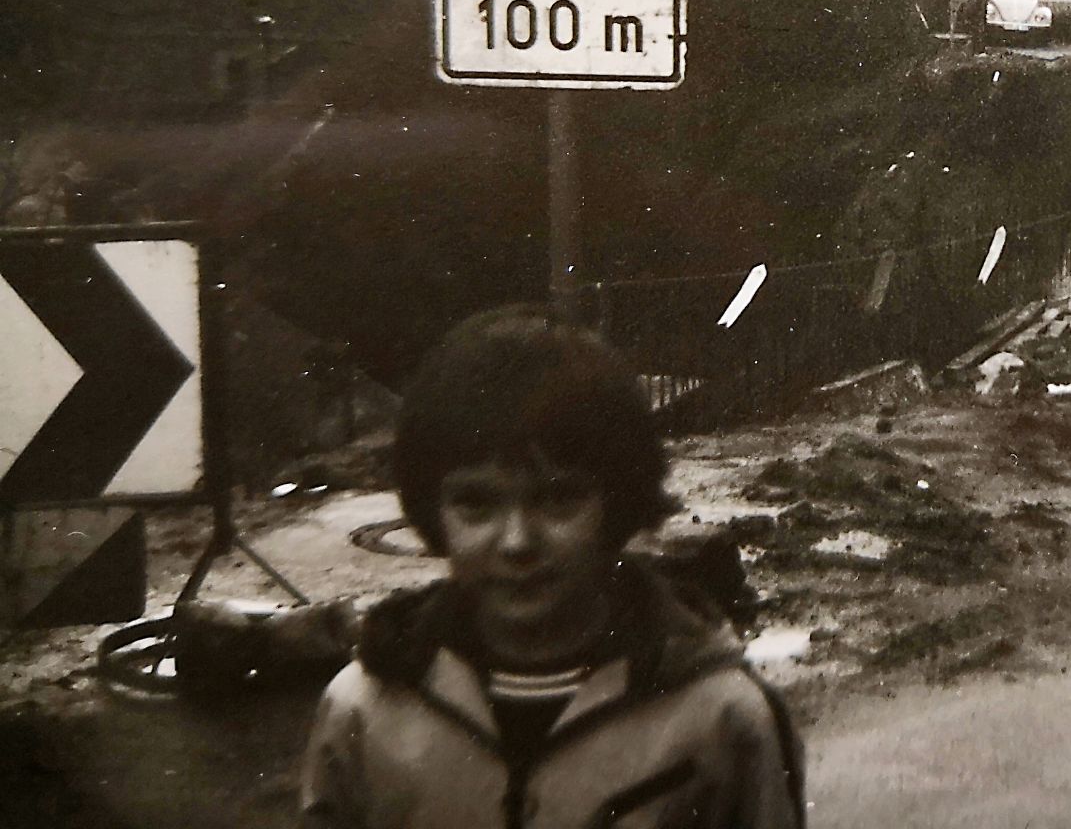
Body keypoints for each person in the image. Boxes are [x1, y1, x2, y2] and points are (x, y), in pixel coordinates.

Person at [300, 307, 805, 828]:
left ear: (619, 502)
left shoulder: (721, 717)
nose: (517, 541)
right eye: (477, 503)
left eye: (559, 499)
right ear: (431, 512)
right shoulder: (362, 711)